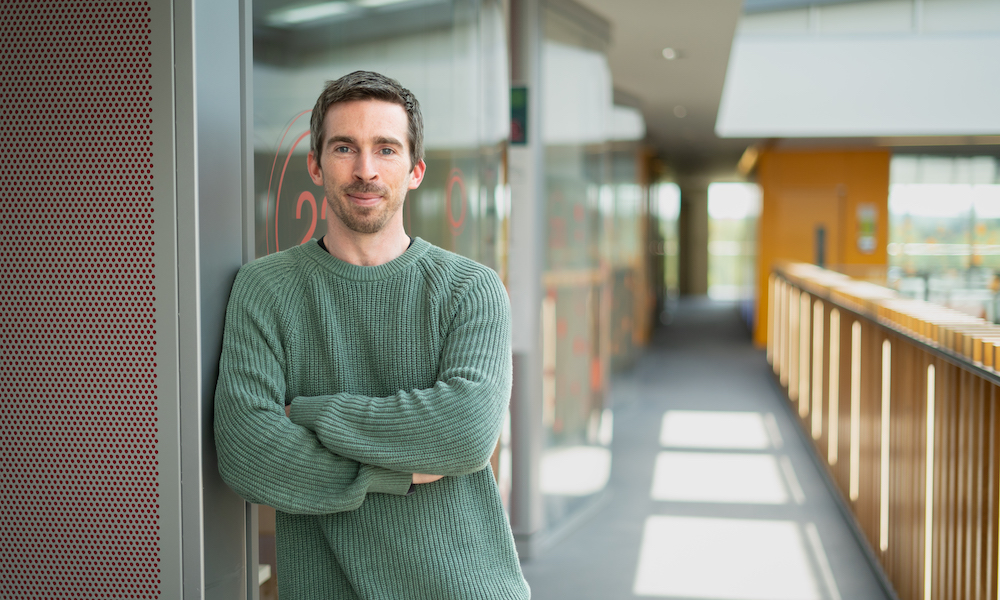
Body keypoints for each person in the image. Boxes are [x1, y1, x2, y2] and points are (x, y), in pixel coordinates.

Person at [214, 71, 530, 599]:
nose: (365, 170)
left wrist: (312, 414)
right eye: (345, 148)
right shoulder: (264, 289)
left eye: (386, 149)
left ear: (415, 170)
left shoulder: (470, 289)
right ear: (315, 165)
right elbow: (249, 453)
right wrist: (397, 474)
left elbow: (468, 432)